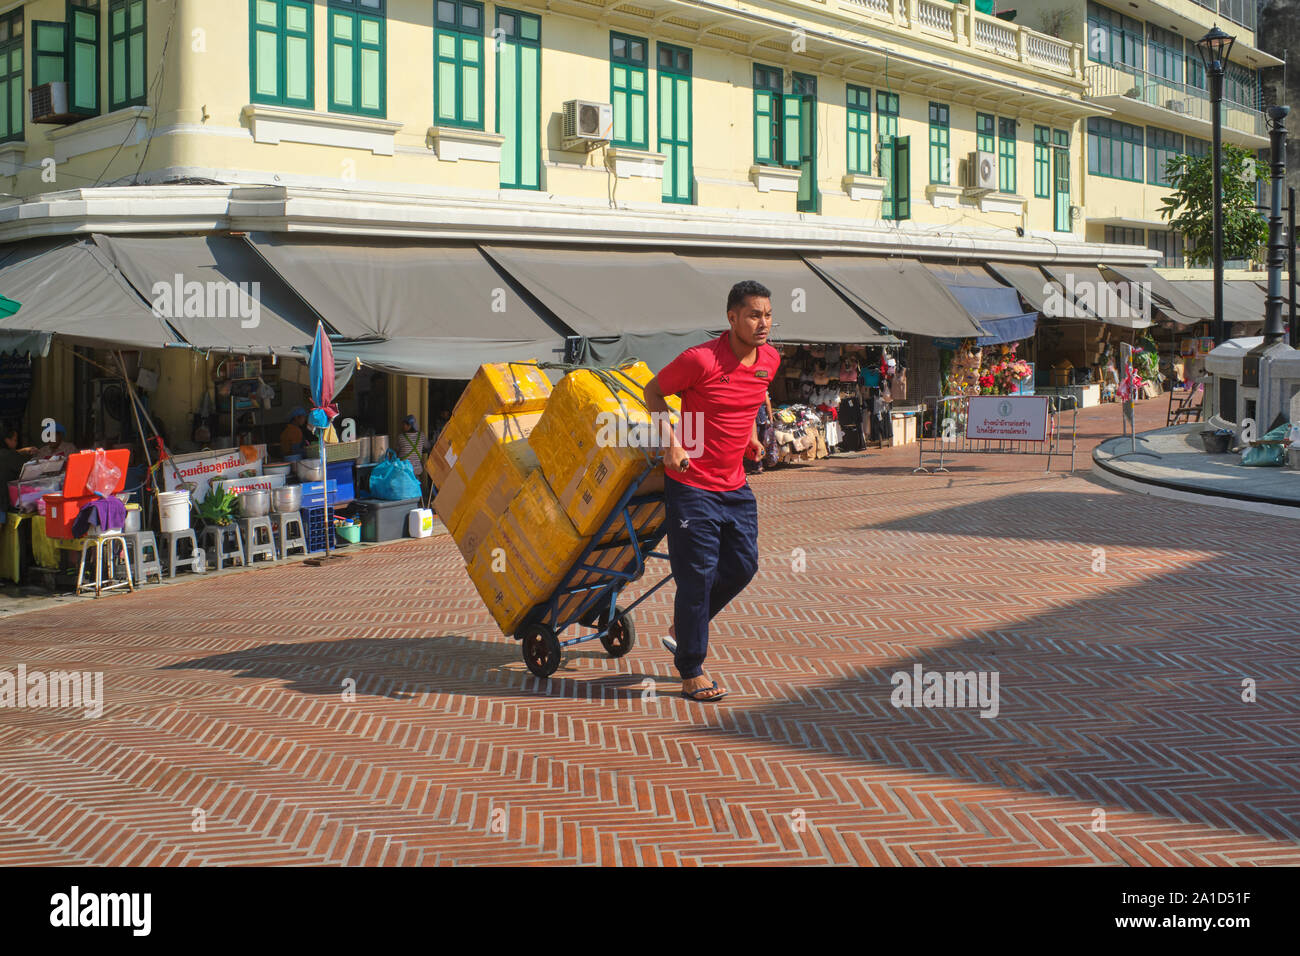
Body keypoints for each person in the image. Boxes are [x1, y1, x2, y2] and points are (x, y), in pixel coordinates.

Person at [643, 279, 780, 703]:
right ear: (732, 317)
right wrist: (671, 442)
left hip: (735, 485)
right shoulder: (700, 359)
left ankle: (683, 630)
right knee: (697, 576)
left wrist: (750, 439)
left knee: (743, 566)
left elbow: (750, 400)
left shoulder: (770, 360)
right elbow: (652, 391)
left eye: (768, 314)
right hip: (691, 484)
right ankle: (691, 669)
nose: (763, 323)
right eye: (754, 314)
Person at [396, 414, 431, 495]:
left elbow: (397, 450)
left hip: (404, 469)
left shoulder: (401, 437)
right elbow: (428, 446)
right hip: (417, 469)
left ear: (410, 425)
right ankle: (417, 496)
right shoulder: (421, 436)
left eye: (404, 424)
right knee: (415, 479)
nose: (402, 426)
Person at [1, 425, 25, 509]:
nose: (16, 443)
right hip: (3, 502)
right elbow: (24, 472)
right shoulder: (11, 456)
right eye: (15, 440)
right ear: (7, 440)